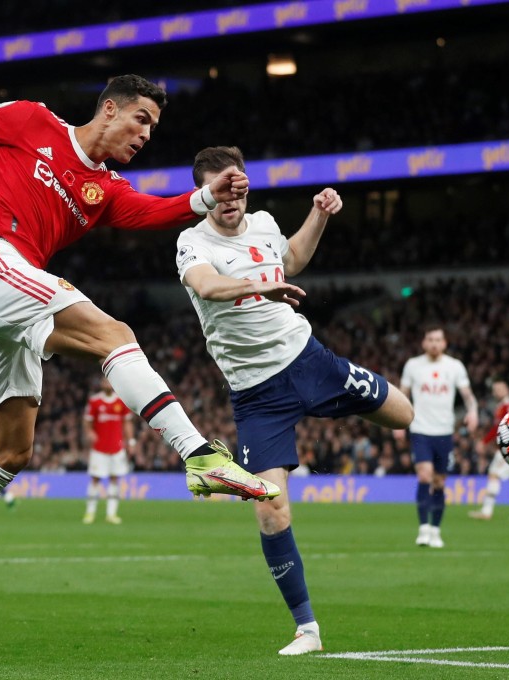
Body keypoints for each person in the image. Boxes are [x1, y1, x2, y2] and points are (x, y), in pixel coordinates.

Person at [0, 75, 279, 642]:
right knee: (115, 334)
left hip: (5, 306)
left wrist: (210, 198)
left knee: (10, 451)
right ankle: (200, 455)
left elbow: (157, 212)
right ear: (109, 109)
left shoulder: (106, 189)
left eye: (153, 128)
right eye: (140, 119)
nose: (145, 134)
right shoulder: (34, 121)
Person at [175, 146, 414, 656]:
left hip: (310, 362)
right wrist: (260, 286)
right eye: (219, 191)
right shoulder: (191, 243)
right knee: (271, 509)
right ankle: (307, 629)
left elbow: (293, 259)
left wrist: (319, 215)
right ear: (204, 196)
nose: (229, 199)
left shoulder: (263, 223)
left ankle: (331, 425)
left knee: (403, 415)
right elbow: (207, 286)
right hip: (257, 395)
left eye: (236, 188)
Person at [398, 326, 478, 549]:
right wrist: (397, 422)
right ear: (424, 342)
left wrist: (473, 412)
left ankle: (436, 530)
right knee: (424, 476)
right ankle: (423, 528)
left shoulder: (454, 366)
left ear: (444, 343)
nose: (434, 343)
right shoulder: (413, 365)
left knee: (440, 482)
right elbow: (402, 395)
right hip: (420, 429)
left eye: (438, 340)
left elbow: (468, 397)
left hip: (444, 431)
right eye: (430, 339)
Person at [468, 378, 509, 522]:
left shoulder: (508, 407)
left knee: (493, 475)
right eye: (495, 389)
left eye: (500, 389)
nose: (497, 392)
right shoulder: (504, 407)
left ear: (507, 390)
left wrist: (484, 442)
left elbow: (501, 428)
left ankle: (486, 511)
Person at [83, 376, 134, 524]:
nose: (107, 384)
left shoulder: (121, 401)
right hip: (99, 449)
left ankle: (111, 514)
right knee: (95, 479)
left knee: (114, 479)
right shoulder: (95, 401)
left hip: (117, 448)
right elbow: (87, 421)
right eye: (104, 381)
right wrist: (89, 432)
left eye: (109, 381)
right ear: (101, 383)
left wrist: (130, 441)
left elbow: (127, 423)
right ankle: (89, 513)